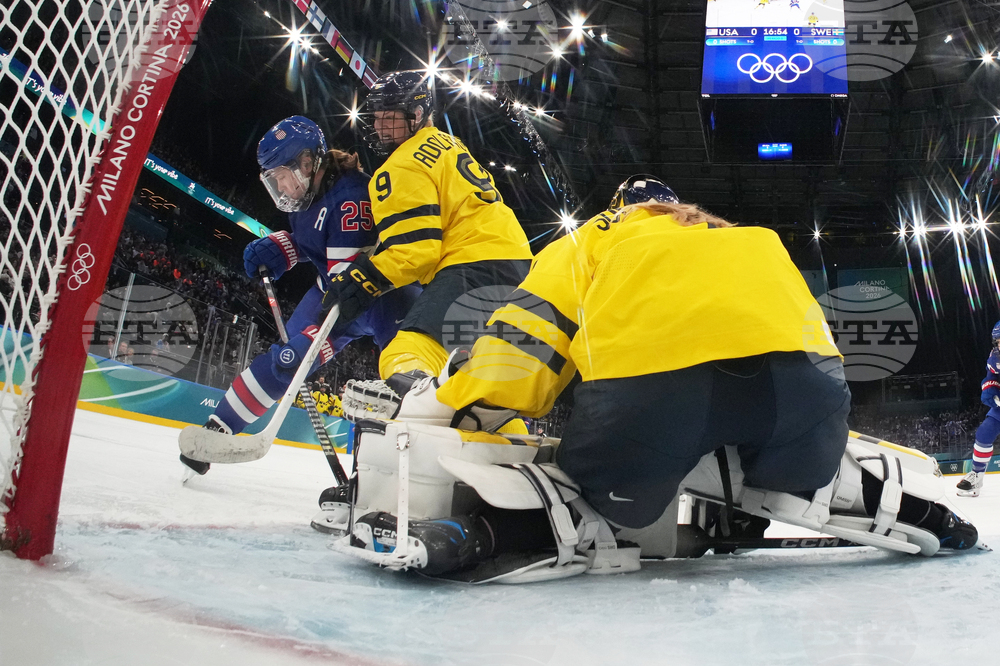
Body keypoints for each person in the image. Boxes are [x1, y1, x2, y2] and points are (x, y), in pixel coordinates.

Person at [358, 176, 977, 577]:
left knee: (597, 494)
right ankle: (928, 517)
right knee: (780, 454)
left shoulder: (597, 237)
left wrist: (460, 403)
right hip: (807, 402)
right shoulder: (748, 238)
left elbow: (524, 348)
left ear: (621, 210)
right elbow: (815, 348)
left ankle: (487, 533)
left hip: (656, 403)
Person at [181, 116, 420, 475]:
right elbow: (318, 244)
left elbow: (351, 281)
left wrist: (316, 344)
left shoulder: (352, 196)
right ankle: (220, 428)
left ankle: (394, 471)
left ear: (308, 163)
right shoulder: (309, 196)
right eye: (273, 179)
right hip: (336, 289)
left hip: (386, 297)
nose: (280, 187)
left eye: (282, 176)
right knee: (286, 359)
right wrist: (286, 247)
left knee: (409, 381)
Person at [317, 71, 533, 433]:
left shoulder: (399, 165)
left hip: (473, 265)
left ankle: (416, 425)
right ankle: (510, 448)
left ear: (416, 115)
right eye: (377, 118)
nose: (380, 127)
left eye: (391, 117)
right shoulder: (448, 144)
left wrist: (363, 279)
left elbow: (416, 252)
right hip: (519, 269)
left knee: (408, 353)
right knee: (475, 388)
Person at [956, 320, 1000, 497]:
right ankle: (977, 476)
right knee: (984, 432)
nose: (999, 345)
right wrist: (990, 390)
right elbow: (991, 377)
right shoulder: (995, 357)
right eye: (998, 341)